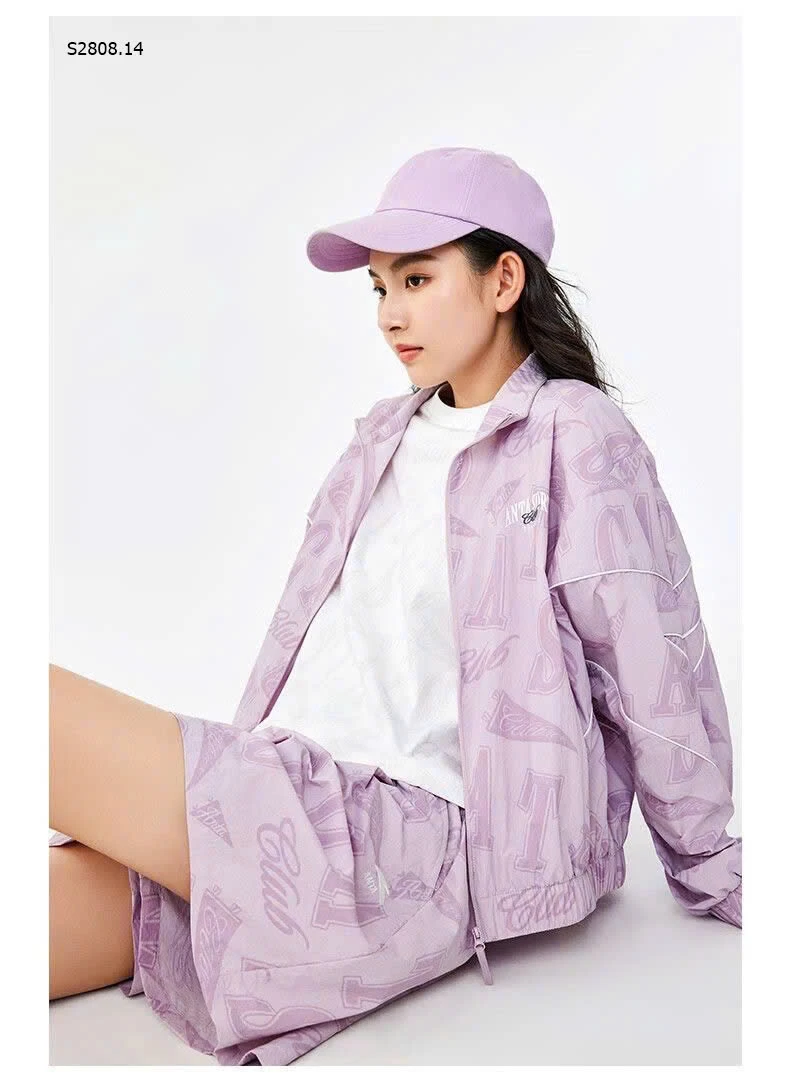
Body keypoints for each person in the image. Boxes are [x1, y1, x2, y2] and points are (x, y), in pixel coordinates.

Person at [49, 147, 742, 1067]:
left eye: (417, 279)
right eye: (379, 287)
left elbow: (651, 658)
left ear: (504, 281)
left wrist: (708, 860)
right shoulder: (383, 435)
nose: (390, 314)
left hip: (407, 842)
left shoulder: (573, 433)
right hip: (283, 795)